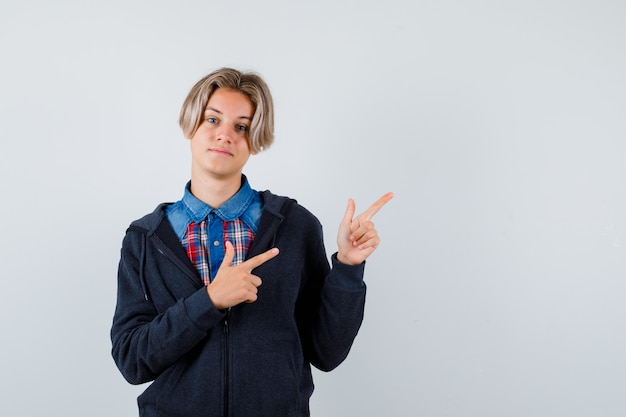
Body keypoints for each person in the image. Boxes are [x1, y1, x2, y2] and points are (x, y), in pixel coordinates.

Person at [111, 67, 393, 417]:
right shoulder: (145, 239)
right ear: (190, 126)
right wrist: (210, 301)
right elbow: (132, 360)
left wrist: (348, 268)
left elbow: (327, 353)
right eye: (212, 120)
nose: (225, 135)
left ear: (255, 139)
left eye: (241, 127)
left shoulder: (296, 226)